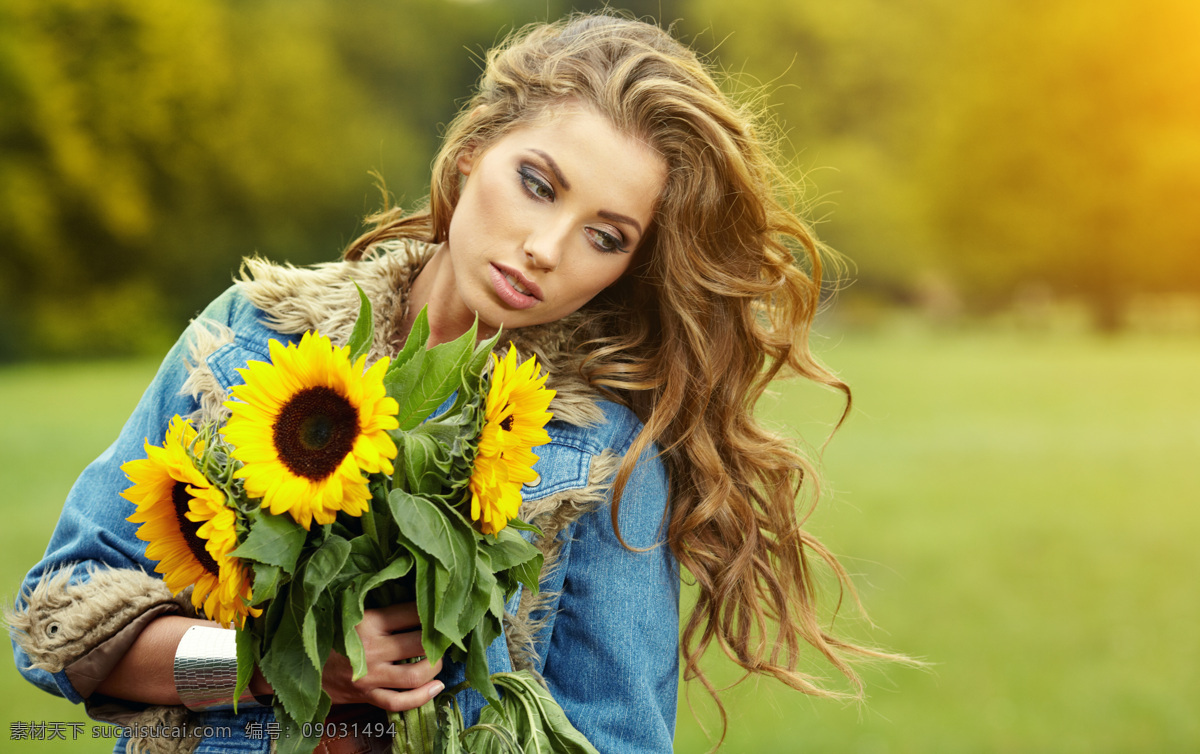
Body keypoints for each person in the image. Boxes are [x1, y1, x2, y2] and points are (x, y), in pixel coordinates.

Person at [9, 12, 884, 754]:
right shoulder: (251, 337)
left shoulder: (604, 459)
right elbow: (60, 624)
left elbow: (615, 737)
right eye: (537, 185)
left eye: (606, 236)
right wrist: (282, 662)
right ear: (472, 152)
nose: (547, 247)